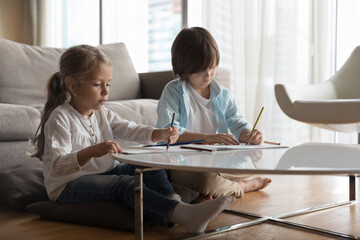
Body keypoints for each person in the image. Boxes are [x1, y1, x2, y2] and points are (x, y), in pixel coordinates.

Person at [31, 44, 235, 233]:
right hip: (68, 185)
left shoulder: (101, 112)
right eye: (97, 84)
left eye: (108, 84)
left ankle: (175, 204)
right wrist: (92, 151)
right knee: (126, 184)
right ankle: (184, 215)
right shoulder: (60, 117)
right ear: (73, 85)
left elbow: (128, 128)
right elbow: (58, 166)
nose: (105, 92)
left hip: (103, 172)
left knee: (150, 166)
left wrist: (159, 134)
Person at [156, 27, 272, 201]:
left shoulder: (222, 94)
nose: (208, 74)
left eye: (212, 67)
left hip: (218, 162)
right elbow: (168, 131)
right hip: (184, 164)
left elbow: (237, 122)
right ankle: (242, 187)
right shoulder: (173, 91)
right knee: (203, 179)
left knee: (255, 164)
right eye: (201, 69)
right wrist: (208, 137)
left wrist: (249, 134)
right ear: (184, 67)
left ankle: (208, 191)